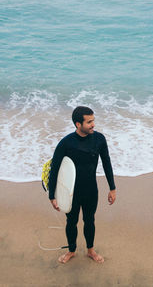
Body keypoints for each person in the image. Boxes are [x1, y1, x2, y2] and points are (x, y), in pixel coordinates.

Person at [48, 106, 116, 264]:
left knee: (89, 220)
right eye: (89, 122)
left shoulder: (99, 139)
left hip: (91, 190)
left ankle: (90, 250)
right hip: (71, 193)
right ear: (78, 124)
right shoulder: (66, 143)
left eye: (93, 121)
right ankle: (71, 250)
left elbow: (107, 163)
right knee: (71, 222)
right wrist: (52, 196)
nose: (93, 124)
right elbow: (55, 169)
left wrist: (112, 188)